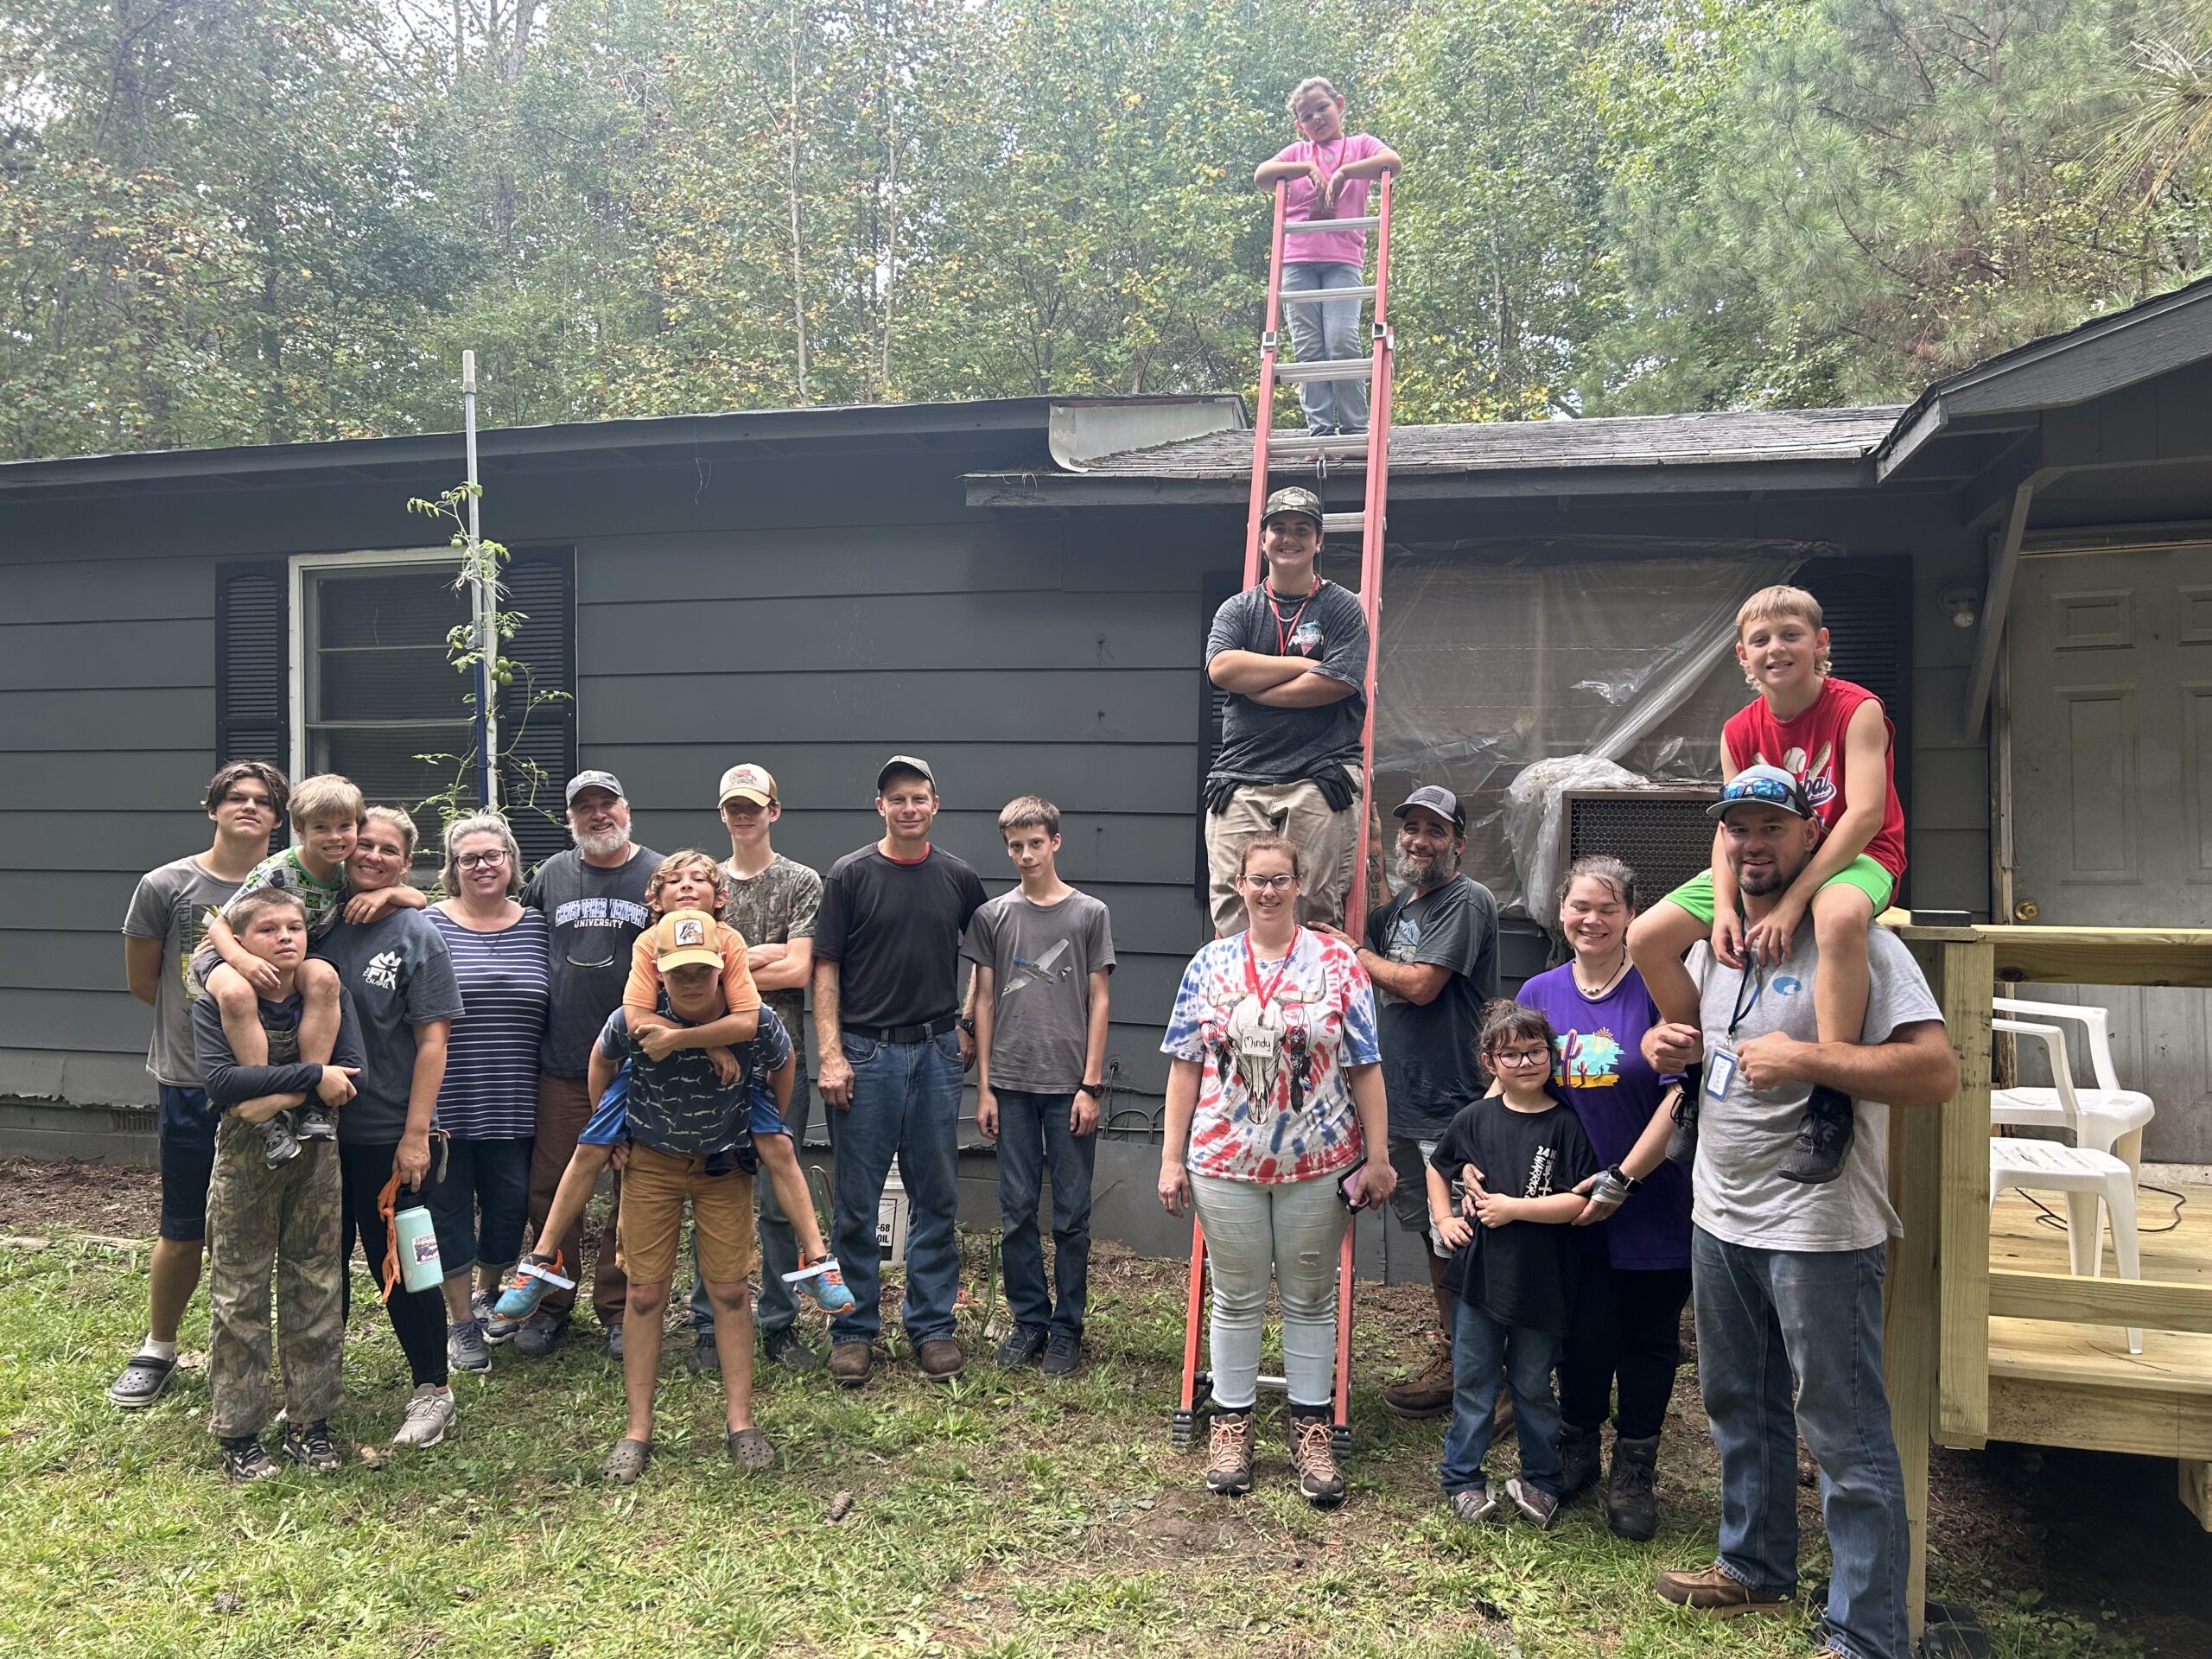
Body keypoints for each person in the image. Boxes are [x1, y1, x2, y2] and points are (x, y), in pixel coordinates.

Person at [1642, 766, 1956, 1659]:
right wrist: (1664, 1043)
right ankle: (1753, 1565)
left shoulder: (1854, 944)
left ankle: (1866, 1634)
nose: (1751, 843)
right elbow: (1696, 1051)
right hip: (1719, 1216)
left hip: (1816, 1231)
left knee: (1844, 1433)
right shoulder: (1715, 943)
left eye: (1771, 826)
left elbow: (1935, 1074)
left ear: (1810, 837)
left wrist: (1813, 1061)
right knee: (1738, 1404)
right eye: (1737, 828)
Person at [1629, 585, 1909, 1185]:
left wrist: (1796, 899)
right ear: (1742, 656)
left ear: (1820, 643)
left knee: (1836, 919)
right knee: (1647, 936)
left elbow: (1863, 814)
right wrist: (1726, 905)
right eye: (1761, 640)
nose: (1776, 648)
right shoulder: (1739, 728)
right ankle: (1697, 1075)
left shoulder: (1855, 708)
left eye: (1790, 635)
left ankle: (1832, 1097)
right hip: (1763, 856)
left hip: (1855, 854)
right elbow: (1731, 824)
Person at [1156, 831, 1393, 1510]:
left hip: (1318, 1163)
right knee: (1233, 1296)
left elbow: (1366, 1066)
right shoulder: (1209, 965)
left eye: (1279, 879)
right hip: (1224, 1161)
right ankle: (1231, 1426)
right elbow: (1183, 1064)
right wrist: (1171, 1159)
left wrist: (1377, 1157)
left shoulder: (1338, 966)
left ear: (1299, 884)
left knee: (1311, 1300)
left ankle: (1311, 1430)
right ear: (1239, 884)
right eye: (1256, 879)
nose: (1267, 891)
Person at [1514, 855, 1691, 1540]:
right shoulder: (1540, 990)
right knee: (1580, 1334)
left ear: (1631, 916)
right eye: (1579, 907)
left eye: (1607, 909)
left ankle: (1635, 1468)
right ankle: (1577, 1448)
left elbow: (1686, 1092)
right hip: (1569, 1205)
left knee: (1647, 1340)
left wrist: (1624, 1178)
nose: (1591, 920)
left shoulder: (1657, 987)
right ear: (1561, 911)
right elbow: (1517, 1087)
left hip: (1653, 1198)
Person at [109, 760, 287, 1409]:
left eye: (263, 800)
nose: (249, 807)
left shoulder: (292, 883)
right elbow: (145, 981)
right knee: (184, 1222)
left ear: (278, 815)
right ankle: (158, 1347)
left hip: (277, 1084)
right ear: (212, 808)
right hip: (191, 1080)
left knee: (277, 1228)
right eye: (235, 798)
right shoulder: (167, 884)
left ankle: (264, 1348)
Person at [1317, 784, 1497, 1420]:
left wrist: (1355, 953)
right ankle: (1458, 1359)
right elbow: (1368, 943)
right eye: (1410, 829)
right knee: (1433, 1234)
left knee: (1469, 1238)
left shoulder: (1467, 901)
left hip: (1451, 1099)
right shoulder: (1404, 909)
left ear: (1458, 843)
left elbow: (1421, 985)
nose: (1418, 840)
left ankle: (1496, 1381)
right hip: (1403, 1099)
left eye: (1434, 831)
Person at [588, 910, 785, 1484]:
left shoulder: (754, 1017)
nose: (692, 981)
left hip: (723, 1167)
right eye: (680, 973)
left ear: (723, 971)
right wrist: (611, 1129)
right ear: (660, 972)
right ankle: (636, 1430)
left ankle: (741, 1422)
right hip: (651, 1163)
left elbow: (784, 1061)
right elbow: (601, 1061)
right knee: (645, 1295)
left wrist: (760, 1117)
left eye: (703, 970)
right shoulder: (633, 1020)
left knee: (728, 1290)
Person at [813, 755, 988, 1389]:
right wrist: (830, 1053)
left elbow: (986, 957)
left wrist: (966, 1020)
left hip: (937, 1051)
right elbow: (824, 967)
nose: (908, 808)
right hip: (865, 1053)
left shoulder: (959, 878)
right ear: (880, 808)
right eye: (897, 799)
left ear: (934, 805)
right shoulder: (851, 876)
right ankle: (855, 1329)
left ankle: (932, 1326)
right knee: (857, 1201)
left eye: (919, 798)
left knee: (936, 1193)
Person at [192, 887, 362, 1480]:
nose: (286, 937)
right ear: (241, 942)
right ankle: (239, 1431)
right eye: (268, 929)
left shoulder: (324, 990)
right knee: (239, 1291)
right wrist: (313, 1077)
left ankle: (309, 1424)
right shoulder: (221, 997)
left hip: (315, 1152)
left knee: (316, 1282)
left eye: (294, 926)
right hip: (245, 1162)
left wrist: (277, 1096)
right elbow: (224, 1087)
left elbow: (353, 1069)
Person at [321, 806, 465, 1447]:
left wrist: (416, 1134)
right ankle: (314, 1389)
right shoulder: (316, 919)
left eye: (388, 850)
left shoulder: (418, 932)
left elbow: (433, 1043)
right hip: (313, 1132)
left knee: (407, 1262)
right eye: (364, 845)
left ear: (406, 863)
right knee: (318, 1267)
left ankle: (433, 1388)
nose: (373, 856)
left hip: (389, 1131)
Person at [1429, 1002, 1598, 1530]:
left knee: (1531, 1385)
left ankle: (1542, 1480)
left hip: (1543, 1285)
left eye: (1535, 1051)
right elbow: (1439, 1166)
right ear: (1490, 1062)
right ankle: (1462, 1478)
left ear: (1552, 1055)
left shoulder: (1568, 1125)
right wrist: (1442, 1218)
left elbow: (1578, 1204)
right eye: (1512, 1054)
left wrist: (1514, 1208)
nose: (1526, 1062)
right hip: (1478, 1282)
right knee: (1474, 1383)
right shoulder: (1475, 1119)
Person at [963, 795, 1115, 1376]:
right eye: (1015, 845)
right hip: (1010, 1085)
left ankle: (1067, 1328)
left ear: (1055, 841)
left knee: (1072, 1213)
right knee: (1016, 1209)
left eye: (1035, 843)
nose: (1025, 854)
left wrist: (1091, 1084)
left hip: (1068, 1085)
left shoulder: (1088, 914)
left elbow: (1100, 999)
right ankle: (1029, 1319)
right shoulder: (993, 916)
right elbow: (982, 1000)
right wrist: (984, 1090)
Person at [196, 773, 421, 1163]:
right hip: (228, 952)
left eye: (345, 827)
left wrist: (389, 890)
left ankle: (312, 1097)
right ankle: (261, 1103)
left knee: (324, 977)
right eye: (322, 828)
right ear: (299, 830)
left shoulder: (343, 872)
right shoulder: (277, 872)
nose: (335, 837)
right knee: (236, 993)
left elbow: (418, 897)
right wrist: (243, 961)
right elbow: (219, 924)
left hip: (288, 960)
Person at [517, 769, 662, 1358]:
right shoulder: (551, 874)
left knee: (634, 1191)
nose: (598, 815)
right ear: (571, 819)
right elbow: (522, 939)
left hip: (640, 1066)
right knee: (552, 1192)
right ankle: (551, 1305)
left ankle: (619, 1310)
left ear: (627, 809)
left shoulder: (659, 872)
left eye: (608, 804)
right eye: (585, 808)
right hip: (562, 1061)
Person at [1203, 486, 1370, 935]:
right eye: (1278, 528)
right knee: (1235, 905)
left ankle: (1309, 1003)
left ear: (1319, 542)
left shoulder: (1342, 608)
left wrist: (1257, 688)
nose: (1289, 538)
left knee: (1315, 906)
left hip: (1320, 774)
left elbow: (1336, 683)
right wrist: (1300, 665)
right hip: (1241, 776)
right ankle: (1242, 1003)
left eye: (1302, 529)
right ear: (1262, 540)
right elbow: (1222, 668)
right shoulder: (1238, 609)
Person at [707, 762, 824, 1373]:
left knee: (778, 1197)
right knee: (714, 1186)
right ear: (722, 813)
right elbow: (685, 973)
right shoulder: (704, 881)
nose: (743, 815)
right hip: (710, 1055)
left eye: (754, 805)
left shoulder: (801, 881)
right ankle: (709, 1320)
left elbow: (800, 970)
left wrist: (724, 966)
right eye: (733, 806)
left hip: (779, 1059)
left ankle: (779, 1321)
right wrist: (760, 956)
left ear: (774, 811)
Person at [424, 814, 551, 1374]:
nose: (482, 865)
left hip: (518, 1097)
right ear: (453, 869)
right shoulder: (428, 924)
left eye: (492, 855)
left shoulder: (538, 926)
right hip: (446, 1099)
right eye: (468, 858)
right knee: (448, 1210)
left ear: (511, 862)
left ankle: (488, 1291)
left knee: (510, 1204)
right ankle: (460, 1322)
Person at [1252, 75, 1401, 437]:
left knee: (1342, 341)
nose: (1316, 118)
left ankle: (1353, 427)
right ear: (1298, 125)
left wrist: (1345, 172)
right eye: (1307, 116)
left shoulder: (1360, 145)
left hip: (1342, 259)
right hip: (1297, 261)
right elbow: (1261, 176)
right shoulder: (1297, 153)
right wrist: (1307, 170)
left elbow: (1392, 162)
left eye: (1323, 108)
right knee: (1308, 347)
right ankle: (1319, 428)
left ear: (1339, 104)